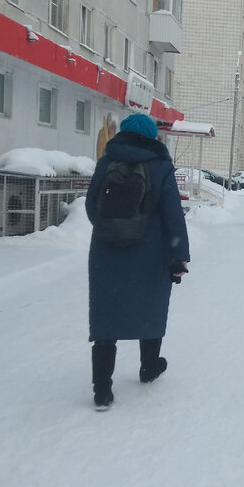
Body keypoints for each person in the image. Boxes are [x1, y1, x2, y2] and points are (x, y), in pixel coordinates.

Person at [85, 113, 190, 410]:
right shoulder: (160, 166)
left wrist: (110, 229)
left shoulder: (106, 162)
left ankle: (102, 391)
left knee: (105, 318)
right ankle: (148, 367)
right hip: (150, 252)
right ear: (152, 137)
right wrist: (178, 254)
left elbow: (92, 206)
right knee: (150, 307)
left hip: (106, 252)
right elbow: (172, 214)